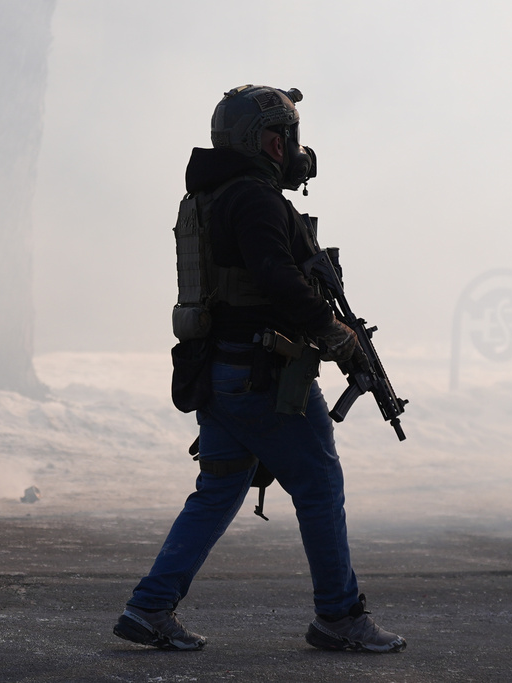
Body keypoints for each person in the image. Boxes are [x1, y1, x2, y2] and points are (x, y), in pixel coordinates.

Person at [113, 85, 407, 653]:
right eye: (290, 136)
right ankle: (340, 617)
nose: (297, 149)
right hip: (264, 375)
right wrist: (333, 334)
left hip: (222, 371)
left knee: (218, 491)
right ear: (273, 141)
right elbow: (278, 279)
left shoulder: (214, 196)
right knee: (319, 484)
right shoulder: (253, 199)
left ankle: (149, 607)